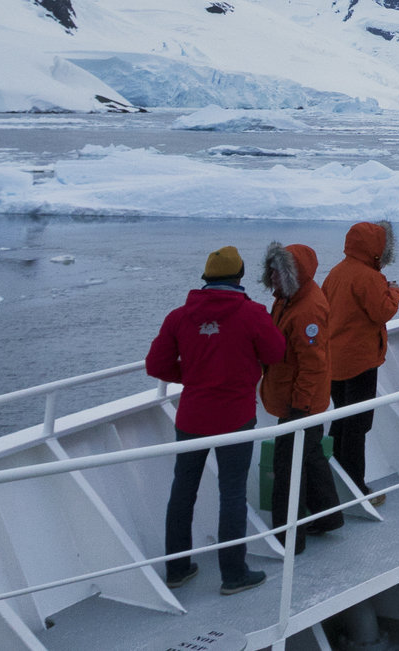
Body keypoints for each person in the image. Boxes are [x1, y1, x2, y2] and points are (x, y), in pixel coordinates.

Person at [146, 245, 285, 594]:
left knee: (183, 491)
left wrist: (193, 376)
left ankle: (177, 569)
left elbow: (157, 365)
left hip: (192, 416)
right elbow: (275, 353)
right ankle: (233, 574)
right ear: (239, 277)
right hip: (235, 417)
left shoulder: (179, 316)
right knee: (232, 493)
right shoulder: (252, 313)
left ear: (206, 279)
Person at [258, 242, 336, 549]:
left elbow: (312, 363)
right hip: (299, 399)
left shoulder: (306, 308)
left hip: (300, 403)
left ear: (293, 273)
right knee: (312, 456)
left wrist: (299, 406)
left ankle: (289, 537)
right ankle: (329, 517)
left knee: (288, 466)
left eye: (278, 270)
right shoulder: (288, 299)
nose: (272, 275)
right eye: (272, 269)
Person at [321, 220, 399, 503]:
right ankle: (357, 489)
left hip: (335, 361)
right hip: (360, 361)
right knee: (358, 426)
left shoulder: (335, 273)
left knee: (341, 421)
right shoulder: (368, 277)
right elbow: (382, 311)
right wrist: (394, 291)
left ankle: (336, 482)